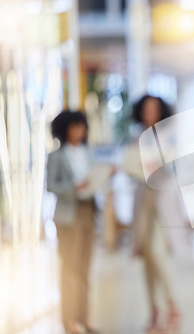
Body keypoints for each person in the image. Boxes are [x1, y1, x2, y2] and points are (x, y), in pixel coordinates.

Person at [122, 95, 181, 333]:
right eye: (146, 109)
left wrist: (152, 168)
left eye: (154, 109)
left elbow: (170, 167)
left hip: (162, 201)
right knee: (147, 258)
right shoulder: (136, 137)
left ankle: (172, 306)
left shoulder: (168, 136)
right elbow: (130, 166)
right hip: (143, 202)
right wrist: (145, 169)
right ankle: (154, 310)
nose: (150, 113)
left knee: (157, 254)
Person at [46, 110, 99, 334]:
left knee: (84, 268)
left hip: (89, 212)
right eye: (74, 127)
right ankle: (68, 320)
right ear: (64, 129)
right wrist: (73, 189)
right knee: (70, 268)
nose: (79, 131)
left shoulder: (88, 153)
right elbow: (51, 185)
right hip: (68, 215)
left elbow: (94, 177)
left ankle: (83, 317)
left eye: (82, 127)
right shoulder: (57, 156)